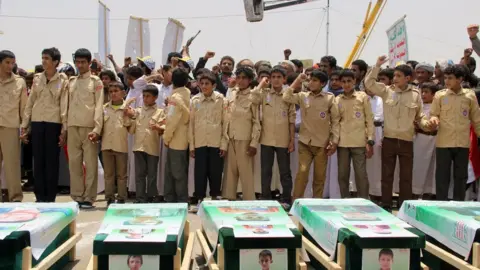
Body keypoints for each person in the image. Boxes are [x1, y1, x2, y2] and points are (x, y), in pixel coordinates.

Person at [364, 55, 429, 212]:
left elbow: (420, 117)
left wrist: (428, 124)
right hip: (389, 140)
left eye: (399, 76)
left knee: (406, 177)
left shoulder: (415, 94)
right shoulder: (386, 91)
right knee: (387, 174)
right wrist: (377, 65)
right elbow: (369, 83)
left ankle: (403, 206)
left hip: (406, 140)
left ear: (408, 78)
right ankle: (386, 205)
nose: (395, 78)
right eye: (394, 75)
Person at [283, 71, 340, 201]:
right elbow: (286, 96)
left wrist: (334, 141)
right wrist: (298, 79)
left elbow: (336, 121)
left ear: (323, 83)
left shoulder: (330, 98)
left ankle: (317, 203)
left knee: (319, 176)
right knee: (302, 173)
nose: (311, 83)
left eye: (315, 80)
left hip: (322, 144)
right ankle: (296, 201)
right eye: (310, 80)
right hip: (305, 142)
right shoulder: (303, 96)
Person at [21, 47, 68, 202]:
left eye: (47, 58)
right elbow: (30, 102)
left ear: (55, 62)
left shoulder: (63, 80)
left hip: (53, 123)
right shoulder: (37, 78)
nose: (44, 61)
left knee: (51, 161)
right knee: (38, 161)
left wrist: (63, 129)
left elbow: (64, 105)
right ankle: (39, 196)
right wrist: (25, 125)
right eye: (42, 58)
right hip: (37, 122)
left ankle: (50, 197)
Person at [429, 65, 480, 201]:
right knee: (442, 176)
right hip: (444, 143)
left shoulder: (470, 96)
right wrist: (434, 120)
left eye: (450, 78)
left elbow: (476, 119)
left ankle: (459, 204)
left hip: (462, 143)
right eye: (445, 78)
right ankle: (441, 203)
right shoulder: (440, 95)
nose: (446, 81)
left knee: (461, 176)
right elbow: (434, 114)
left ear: (460, 79)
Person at [251, 66, 296, 207]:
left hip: (283, 139)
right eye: (273, 77)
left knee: (285, 171)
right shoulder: (264, 93)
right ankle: (265, 197)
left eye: (279, 77)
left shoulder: (288, 94)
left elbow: (291, 119)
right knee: (266, 170)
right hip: (266, 138)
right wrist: (261, 84)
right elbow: (253, 98)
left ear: (284, 79)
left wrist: (291, 140)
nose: (276, 80)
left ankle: (286, 198)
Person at [67, 48, 104, 209]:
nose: (80, 65)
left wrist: (97, 129)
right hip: (72, 126)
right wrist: (64, 127)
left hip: (89, 127)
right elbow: (65, 106)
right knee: (74, 164)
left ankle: (89, 197)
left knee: (90, 164)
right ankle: (77, 195)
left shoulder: (96, 82)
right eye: (78, 62)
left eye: (83, 62)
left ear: (89, 63)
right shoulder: (71, 81)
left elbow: (99, 106)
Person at [189, 71, 227, 210]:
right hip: (199, 142)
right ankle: (199, 198)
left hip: (216, 142)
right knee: (200, 172)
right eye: (202, 83)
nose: (204, 86)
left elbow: (225, 122)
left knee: (215, 171)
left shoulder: (221, 99)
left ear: (214, 85)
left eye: (207, 84)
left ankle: (215, 196)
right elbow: (191, 124)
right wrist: (192, 146)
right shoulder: (194, 100)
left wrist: (224, 144)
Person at [222, 66, 261, 201]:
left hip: (245, 139)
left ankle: (249, 201)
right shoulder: (232, 94)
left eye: (244, 78)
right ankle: (229, 199)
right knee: (230, 172)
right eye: (238, 77)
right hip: (231, 137)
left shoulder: (253, 97)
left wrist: (254, 143)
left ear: (250, 80)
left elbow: (257, 122)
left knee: (246, 173)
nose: (241, 80)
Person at [336, 70, 374, 199]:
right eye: (344, 81)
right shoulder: (337, 99)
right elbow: (335, 122)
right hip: (342, 143)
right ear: (340, 83)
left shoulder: (362, 97)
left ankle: (364, 200)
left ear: (354, 81)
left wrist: (370, 140)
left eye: (349, 81)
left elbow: (369, 119)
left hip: (359, 142)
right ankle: (345, 200)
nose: (346, 84)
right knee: (342, 174)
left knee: (361, 174)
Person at [125, 85, 165, 203]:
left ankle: (152, 196)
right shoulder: (137, 111)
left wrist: (158, 127)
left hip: (152, 147)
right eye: (144, 96)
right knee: (140, 174)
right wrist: (130, 117)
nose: (145, 98)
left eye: (148, 96)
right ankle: (140, 197)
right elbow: (131, 130)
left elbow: (163, 129)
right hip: (138, 147)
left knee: (152, 175)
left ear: (155, 97)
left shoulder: (160, 112)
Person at [0, 50, 27, 202]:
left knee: (12, 165)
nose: (10, 66)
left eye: (12, 63)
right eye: (7, 62)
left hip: (10, 126)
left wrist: (24, 127)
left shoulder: (19, 82)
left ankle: (15, 198)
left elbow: (23, 107)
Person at [101, 82, 133, 205]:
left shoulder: (128, 109)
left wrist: (127, 115)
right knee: (109, 174)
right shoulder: (104, 108)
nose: (113, 94)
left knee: (121, 175)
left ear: (123, 93)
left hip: (121, 146)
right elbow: (100, 125)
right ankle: (109, 197)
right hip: (106, 145)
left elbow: (130, 127)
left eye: (116, 91)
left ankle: (121, 197)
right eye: (111, 91)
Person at [163, 68, 191, 203]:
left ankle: (178, 200)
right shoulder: (187, 93)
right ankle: (175, 198)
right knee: (176, 171)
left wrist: (166, 137)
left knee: (175, 173)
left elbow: (171, 120)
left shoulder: (175, 98)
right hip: (184, 138)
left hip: (176, 139)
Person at [412, 83, 438, 200]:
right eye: (422, 92)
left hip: (435, 139)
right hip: (420, 139)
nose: (423, 95)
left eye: (426, 92)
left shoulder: (437, 107)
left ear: (434, 94)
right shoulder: (419, 106)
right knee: (419, 167)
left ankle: (429, 193)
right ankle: (415, 193)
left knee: (432, 168)